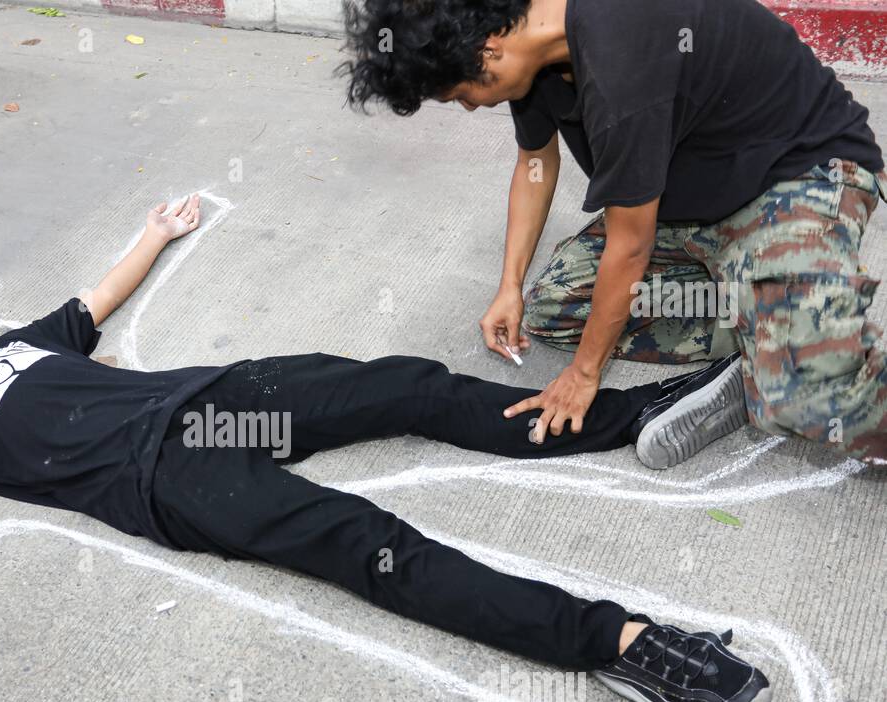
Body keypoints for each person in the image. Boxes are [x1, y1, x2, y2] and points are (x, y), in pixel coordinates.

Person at [0, 195, 770, 702]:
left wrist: (154, 232)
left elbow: (96, 299)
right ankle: (626, 644)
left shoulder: (18, 346)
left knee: (409, 386)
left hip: (220, 402)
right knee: (378, 552)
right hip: (174, 482)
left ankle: (632, 415)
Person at [339, 0, 887, 466]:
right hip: (689, 201)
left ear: (489, 53)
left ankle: (791, 349)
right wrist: (509, 284)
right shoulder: (538, 47)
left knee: (805, 393)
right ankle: (767, 337)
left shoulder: (621, 58)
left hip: (795, 179)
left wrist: (584, 375)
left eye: (459, 95)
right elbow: (536, 162)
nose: (469, 106)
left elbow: (630, 246)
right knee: (553, 309)